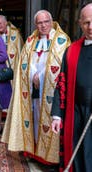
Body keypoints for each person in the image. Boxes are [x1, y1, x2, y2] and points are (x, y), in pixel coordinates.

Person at [1, 10, 71, 164]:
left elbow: (64, 68)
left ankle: (49, 158)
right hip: (33, 90)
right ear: (35, 24)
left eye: (46, 21)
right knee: (34, 119)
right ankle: (33, 152)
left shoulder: (62, 40)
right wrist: (33, 76)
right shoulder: (31, 40)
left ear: (51, 21)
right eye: (39, 23)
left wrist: (43, 76)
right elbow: (24, 64)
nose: (43, 25)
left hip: (51, 93)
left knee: (49, 121)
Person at [51, 3, 92, 172]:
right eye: (87, 22)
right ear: (79, 23)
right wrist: (56, 115)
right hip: (75, 114)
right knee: (79, 157)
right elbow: (61, 84)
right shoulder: (71, 50)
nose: (91, 27)